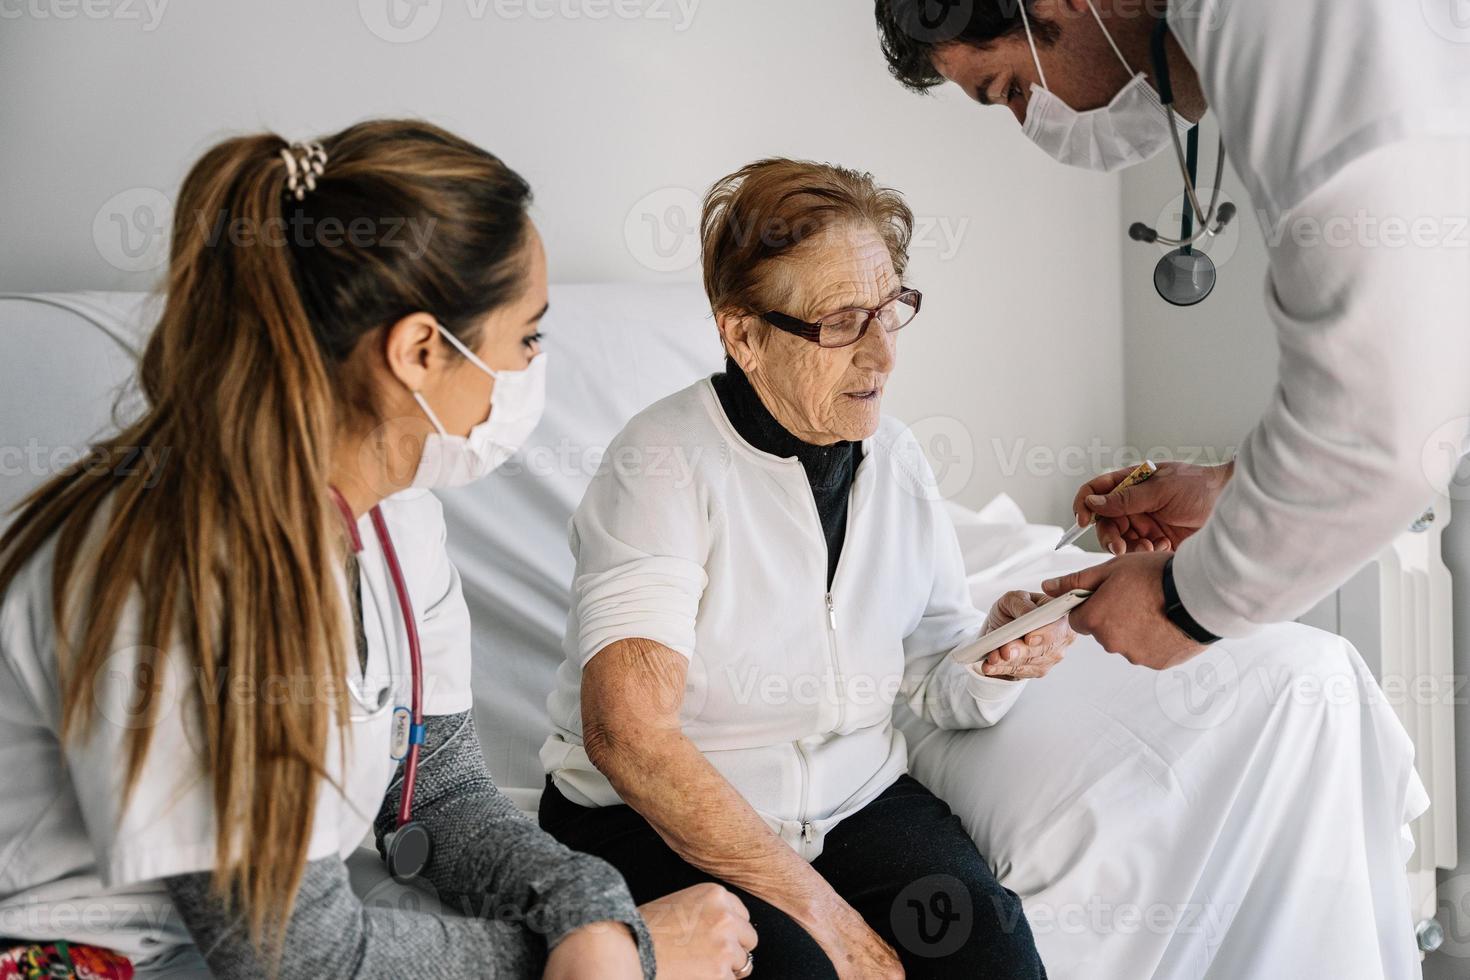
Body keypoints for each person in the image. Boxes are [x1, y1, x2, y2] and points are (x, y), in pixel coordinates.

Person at [0, 119, 754, 979]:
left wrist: (588, 909)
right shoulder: (178, 572)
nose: (536, 363)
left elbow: (436, 790)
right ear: (421, 351)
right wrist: (631, 953)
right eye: (530, 337)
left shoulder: (396, 516)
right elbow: (294, 956)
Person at [538, 158, 1067, 979]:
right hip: (655, 822)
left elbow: (931, 673)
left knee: (987, 947)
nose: (882, 358)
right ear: (744, 334)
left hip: (854, 801)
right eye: (842, 322)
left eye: (891, 311)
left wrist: (993, 657)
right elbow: (627, 737)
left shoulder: (895, 456)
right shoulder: (662, 463)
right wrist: (826, 919)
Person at [873, 0, 1470, 667]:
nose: (1029, 121)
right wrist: (1228, 486)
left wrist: (1187, 605)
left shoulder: (1278, 24)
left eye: (1012, 89)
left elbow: (1384, 413)